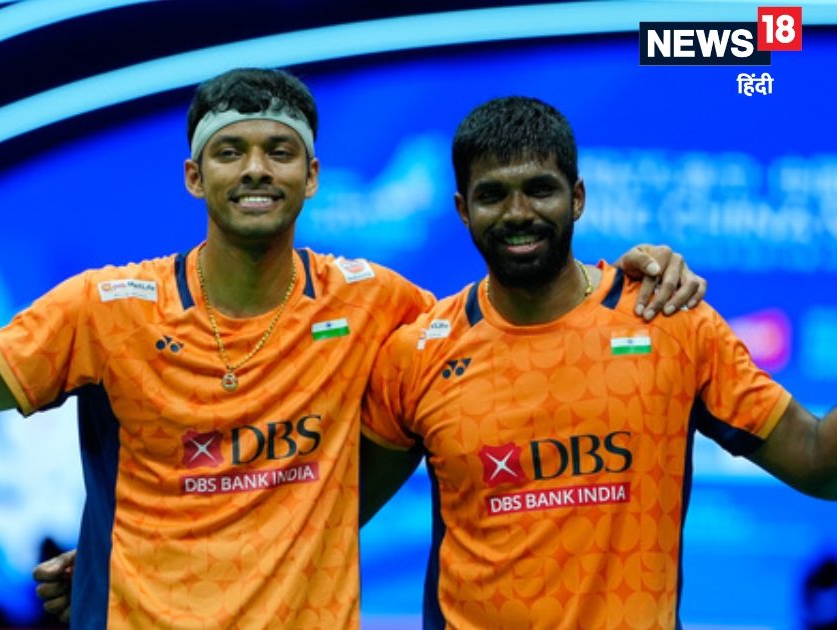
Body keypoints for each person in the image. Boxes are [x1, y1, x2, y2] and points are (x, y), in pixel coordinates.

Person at [0, 71, 701, 629]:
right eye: (229, 151)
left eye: (280, 150)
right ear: (194, 178)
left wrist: (630, 273)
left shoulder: (378, 304)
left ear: (313, 176)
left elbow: (516, 323)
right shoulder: (106, 307)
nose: (256, 168)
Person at [357, 96, 837, 627]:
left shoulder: (668, 322)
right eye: (492, 194)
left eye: (540, 189)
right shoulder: (419, 354)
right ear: (462, 209)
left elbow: (820, 463)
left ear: (578, 197)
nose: (518, 213)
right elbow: (325, 518)